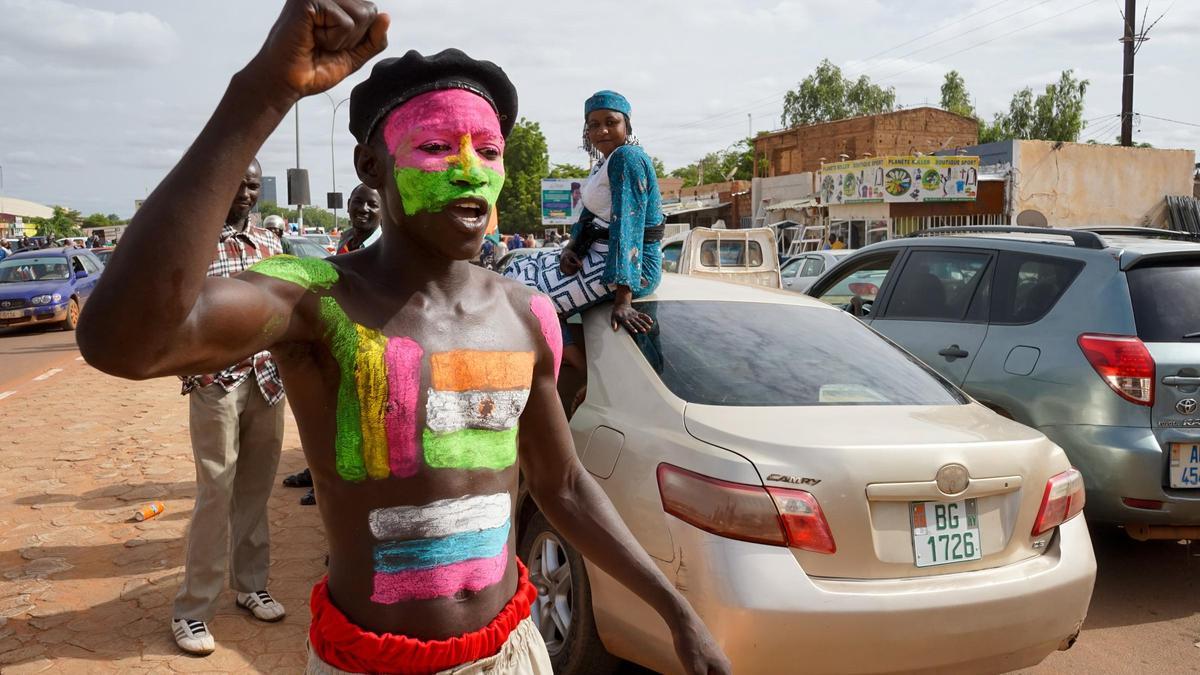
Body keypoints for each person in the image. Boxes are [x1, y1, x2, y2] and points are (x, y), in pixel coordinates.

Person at [76, 3, 730, 674]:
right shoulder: (316, 296)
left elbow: (562, 484)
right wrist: (266, 89)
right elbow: (125, 341)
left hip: (510, 652)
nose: (471, 170)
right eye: (438, 147)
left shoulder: (525, 314)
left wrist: (674, 609)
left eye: (490, 151)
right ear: (371, 165)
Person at [124, 157, 288, 655]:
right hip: (217, 383)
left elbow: (285, 307)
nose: (245, 193)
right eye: (237, 184)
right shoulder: (195, 242)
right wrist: (193, 368)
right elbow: (170, 312)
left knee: (256, 492)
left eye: (253, 186)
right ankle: (192, 610)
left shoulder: (269, 243)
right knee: (216, 493)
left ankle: (251, 585)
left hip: (267, 381)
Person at [504, 90, 663, 372]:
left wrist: (623, 298)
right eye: (593, 124)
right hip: (599, 254)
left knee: (529, 300)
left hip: (633, 266)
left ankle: (583, 374)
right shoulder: (604, 162)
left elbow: (629, 224)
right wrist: (571, 248)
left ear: (626, 124)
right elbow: (588, 213)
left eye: (610, 122)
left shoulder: (628, 158)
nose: (601, 130)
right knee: (515, 270)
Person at [336, 184, 382, 253]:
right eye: (358, 202)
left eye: (372, 205)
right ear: (348, 205)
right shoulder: (344, 241)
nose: (363, 209)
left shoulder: (388, 250)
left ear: (384, 211)